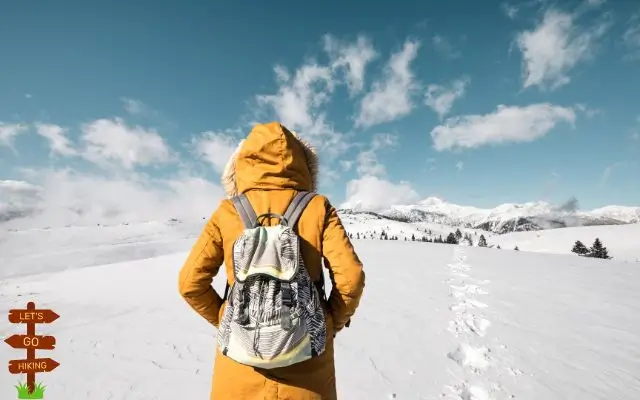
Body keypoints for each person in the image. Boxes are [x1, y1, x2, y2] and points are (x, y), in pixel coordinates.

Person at [178, 121, 366, 399]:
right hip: (308, 368)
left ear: (241, 164)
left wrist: (228, 318)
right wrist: (327, 323)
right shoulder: (318, 207)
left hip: (240, 368)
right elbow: (352, 278)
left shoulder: (229, 211)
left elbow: (189, 284)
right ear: (303, 164)